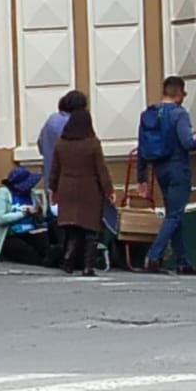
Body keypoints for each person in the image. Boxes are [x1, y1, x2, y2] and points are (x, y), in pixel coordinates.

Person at [135, 75, 196, 275]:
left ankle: (182, 261)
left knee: (175, 214)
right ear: (178, 93)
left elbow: (142, 146)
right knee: (174, 215)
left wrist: (141, 177)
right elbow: (187, 142)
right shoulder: (178, 114)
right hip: (178, 168)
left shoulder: (148, 114)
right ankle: (154, 256)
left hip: (159, 168)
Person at [48, 107, 115, 275]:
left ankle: (68, 260)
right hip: (89, 189)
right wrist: (109, 190)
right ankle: (88, 266)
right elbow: (101, 169)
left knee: (72, 229)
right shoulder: (92, 143)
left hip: (66, 187)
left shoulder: (61, 143)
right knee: (91, 229)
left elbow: (54, 169)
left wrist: (53, 190)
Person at [0, 165, 53, 267]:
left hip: (30, 231)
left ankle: (52, 259)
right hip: (9, 235)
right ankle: (44, 261)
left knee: (45, 244)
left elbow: (41, 217)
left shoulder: (32, 194)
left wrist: (39, 212)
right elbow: (0, 218)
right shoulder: (2, 194)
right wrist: (24, 213)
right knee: (29, 254)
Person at [38, 89, 87, 184]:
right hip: (67, 181)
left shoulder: (51, 120)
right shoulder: (71, 124)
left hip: (49, 176)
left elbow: (40, 144)